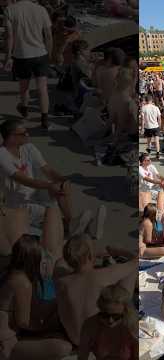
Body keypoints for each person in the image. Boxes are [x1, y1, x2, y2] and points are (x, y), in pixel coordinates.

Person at [0, 120, 73, 254]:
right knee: (51, 213)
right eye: (23, 133)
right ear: (11, 137)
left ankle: (70, 224)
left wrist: (62, 181)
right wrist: (50, 186)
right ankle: (65, 230)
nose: (27, 135)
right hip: (18, 203)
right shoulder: (2, 155)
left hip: (34, 192)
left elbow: (47, 170)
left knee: (61, 188)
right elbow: (25, 181)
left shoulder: (28, 147)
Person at [55, 234, 137, 346]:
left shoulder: (61, 281)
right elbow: (135, 261)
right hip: (99, 341)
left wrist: (87, 255)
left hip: (75, 339)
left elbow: (60, 261)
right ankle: (124, 311)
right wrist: (118, 251)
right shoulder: (103, 275)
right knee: (130, 272)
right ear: (90, 255)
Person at [0, 235, 73, 360]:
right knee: (63, 347)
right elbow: (23, 322)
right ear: (34, 259)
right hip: (7, 344)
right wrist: (47, 327)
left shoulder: (10, 273)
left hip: (10, 336)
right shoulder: (23, 283)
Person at [3, 0, 53, 129]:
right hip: (40, 53)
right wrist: (49, 53)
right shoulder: (41, 9)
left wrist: (8, 57)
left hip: (21, 55)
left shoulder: (10, 10)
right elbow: (48, 35)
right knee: (42, 88)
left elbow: (9, 36)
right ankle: (45, 118)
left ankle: (24, 110)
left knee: (24, 86)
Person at [78, 284, 137, 360]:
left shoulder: (133, 326)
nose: (110, 320)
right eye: (105, 315)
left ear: (125, 311)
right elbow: (82, 357)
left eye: (116, 316)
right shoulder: (90, 325)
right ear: (100, 309)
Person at [140, 95, 162, 160]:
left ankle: (149, 151)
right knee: (157, 141)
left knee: (148, 141)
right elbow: (159, 118)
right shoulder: (156, 107)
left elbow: (142, 119)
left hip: (148, 127)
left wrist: (142, 128)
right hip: (156, 126)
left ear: (145, 100)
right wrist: (159, 126)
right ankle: (158, 153)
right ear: (151, 100)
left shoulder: (143, 108)